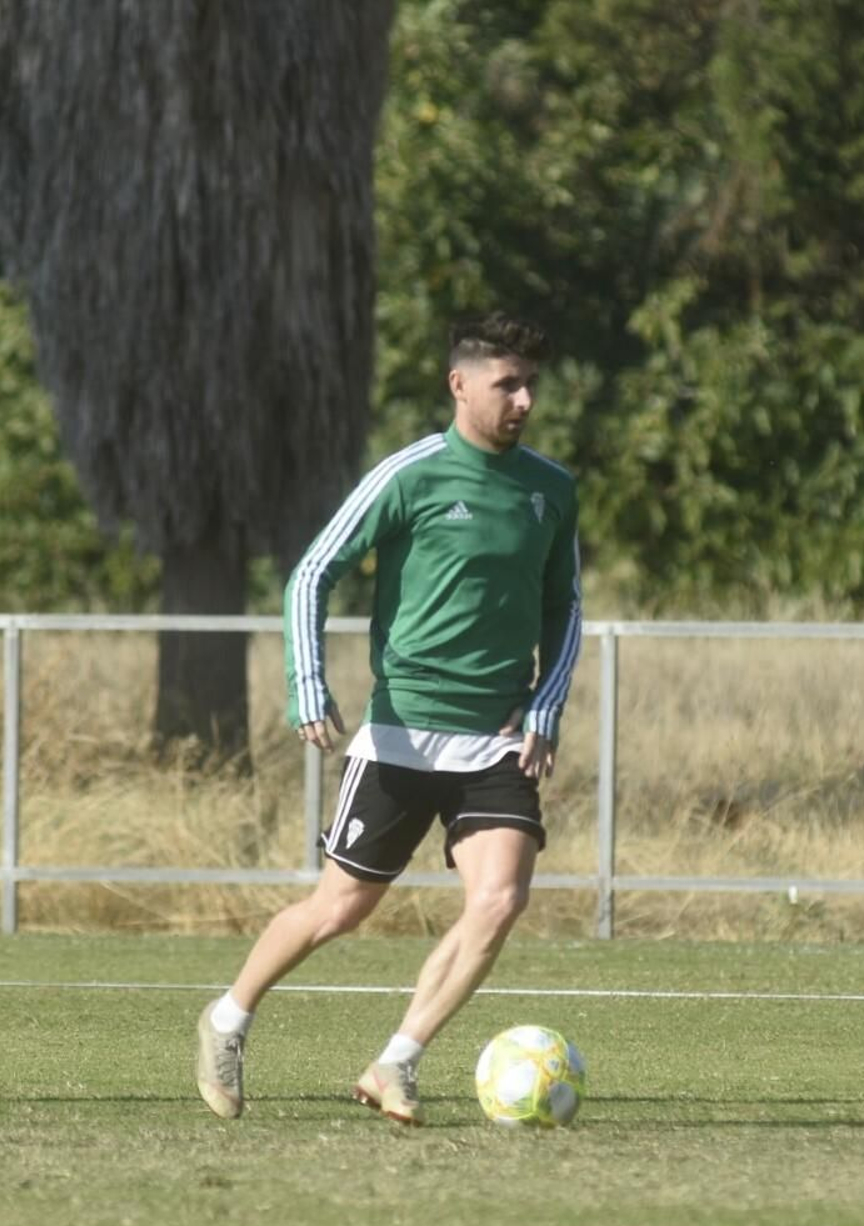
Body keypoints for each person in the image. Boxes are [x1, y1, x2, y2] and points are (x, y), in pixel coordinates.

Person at [196, 312, 581, 1126]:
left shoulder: (552, 490)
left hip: (496, 739)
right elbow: (312, 574)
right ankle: (227, 1019)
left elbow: (565, 607)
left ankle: (395, 1062)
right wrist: (308, 685)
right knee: (341, 908)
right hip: (403, 730)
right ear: (460, 385)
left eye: (531, 385)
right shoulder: (410, 475)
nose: (525, 401)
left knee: (500, 899)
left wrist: (546, 703)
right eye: (508, 384)